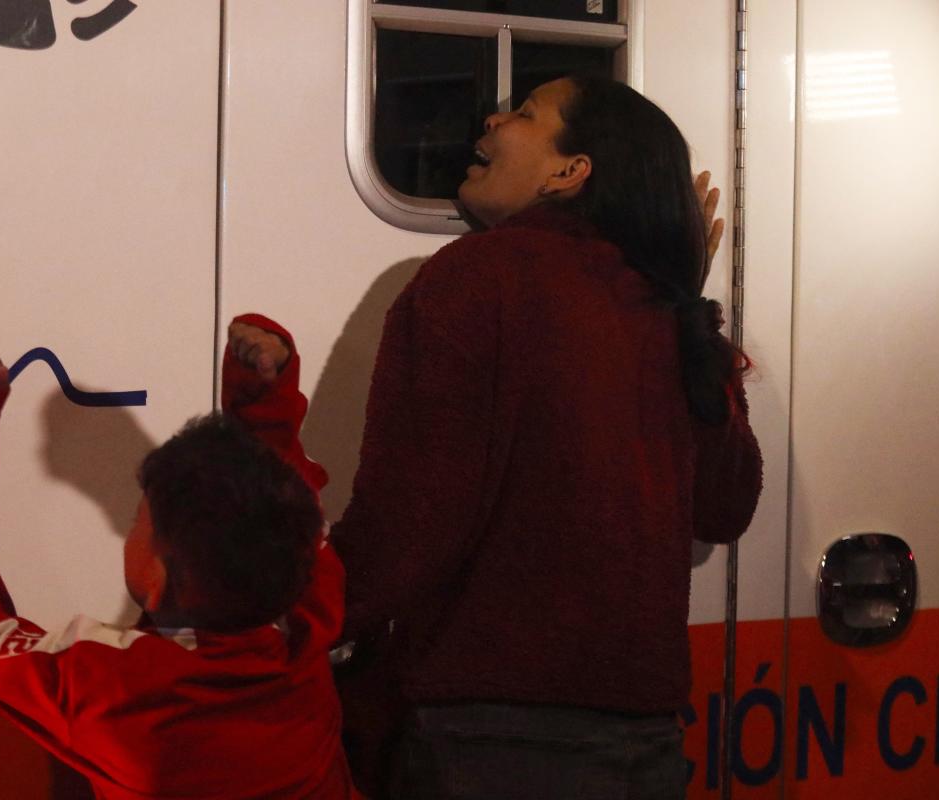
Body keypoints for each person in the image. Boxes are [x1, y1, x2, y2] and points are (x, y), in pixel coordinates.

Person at [324, 74, 764, 799]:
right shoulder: (662, 307)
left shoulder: (475, 277)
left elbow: (415, 513)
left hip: (490, 738)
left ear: (570, 171)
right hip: (646, 740)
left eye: (525, 114)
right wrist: (688, 302)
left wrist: (303, 616)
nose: (491, 122)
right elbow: (726, 506)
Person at [0, 314, 356, 799]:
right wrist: (263, 399)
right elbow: (283, 506)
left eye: (140, 521)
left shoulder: (113, 689)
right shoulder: (307, 621)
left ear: (157, 576)